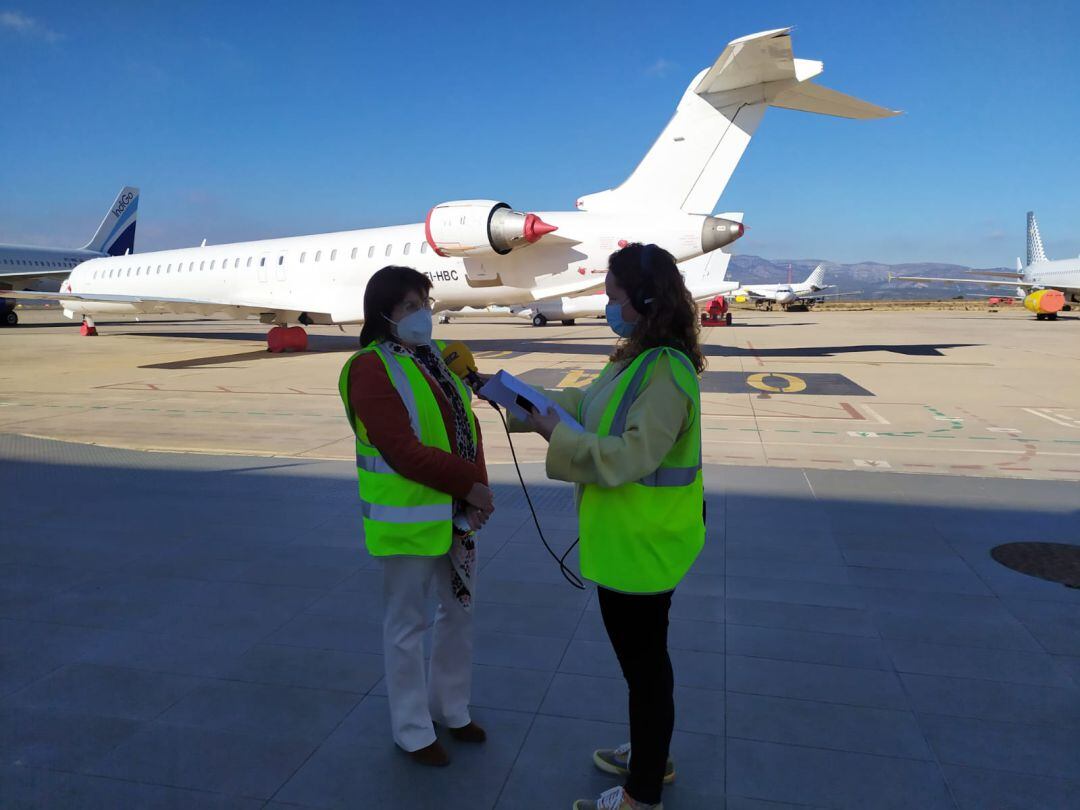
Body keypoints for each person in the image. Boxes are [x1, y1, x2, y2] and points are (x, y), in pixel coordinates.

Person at [518, 243, 705, 810]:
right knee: (645, 667)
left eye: (613, 295)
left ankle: (641, 793)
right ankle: (651, 753)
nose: (606, 303)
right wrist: (529, 400)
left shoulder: (667, 372)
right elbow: (588, 401)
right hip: (630, 542)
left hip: (643, 548)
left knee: (646, 672)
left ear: (644, 300)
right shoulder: (633, 359)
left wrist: (557, 435)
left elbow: (630, 456)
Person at [338, 265, 494, 767]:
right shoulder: (369, 367)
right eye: (408, 306)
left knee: (459, 613)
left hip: (456, 515)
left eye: (424, 302)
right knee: (407, 626)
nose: (421, 314)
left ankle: (451, 708)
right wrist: (469, 486)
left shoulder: (437, 359)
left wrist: (479, 491)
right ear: (382, 314)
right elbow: (401, 450)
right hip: (408, 519)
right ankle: (412, 729)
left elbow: (467, 428)